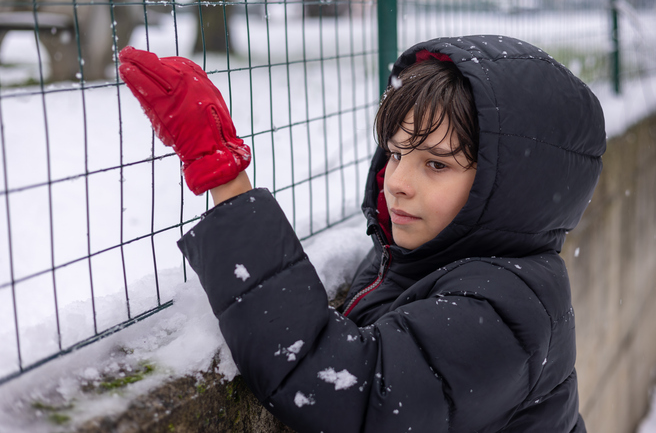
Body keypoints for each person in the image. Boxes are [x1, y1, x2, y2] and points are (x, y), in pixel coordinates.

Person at [118, 34, 605, 433]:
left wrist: (224, 173)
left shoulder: (506, 309)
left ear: (512, 186)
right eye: (394, 154)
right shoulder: (426, 258)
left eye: (436, 164)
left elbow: (346, 391)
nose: (397, 182)